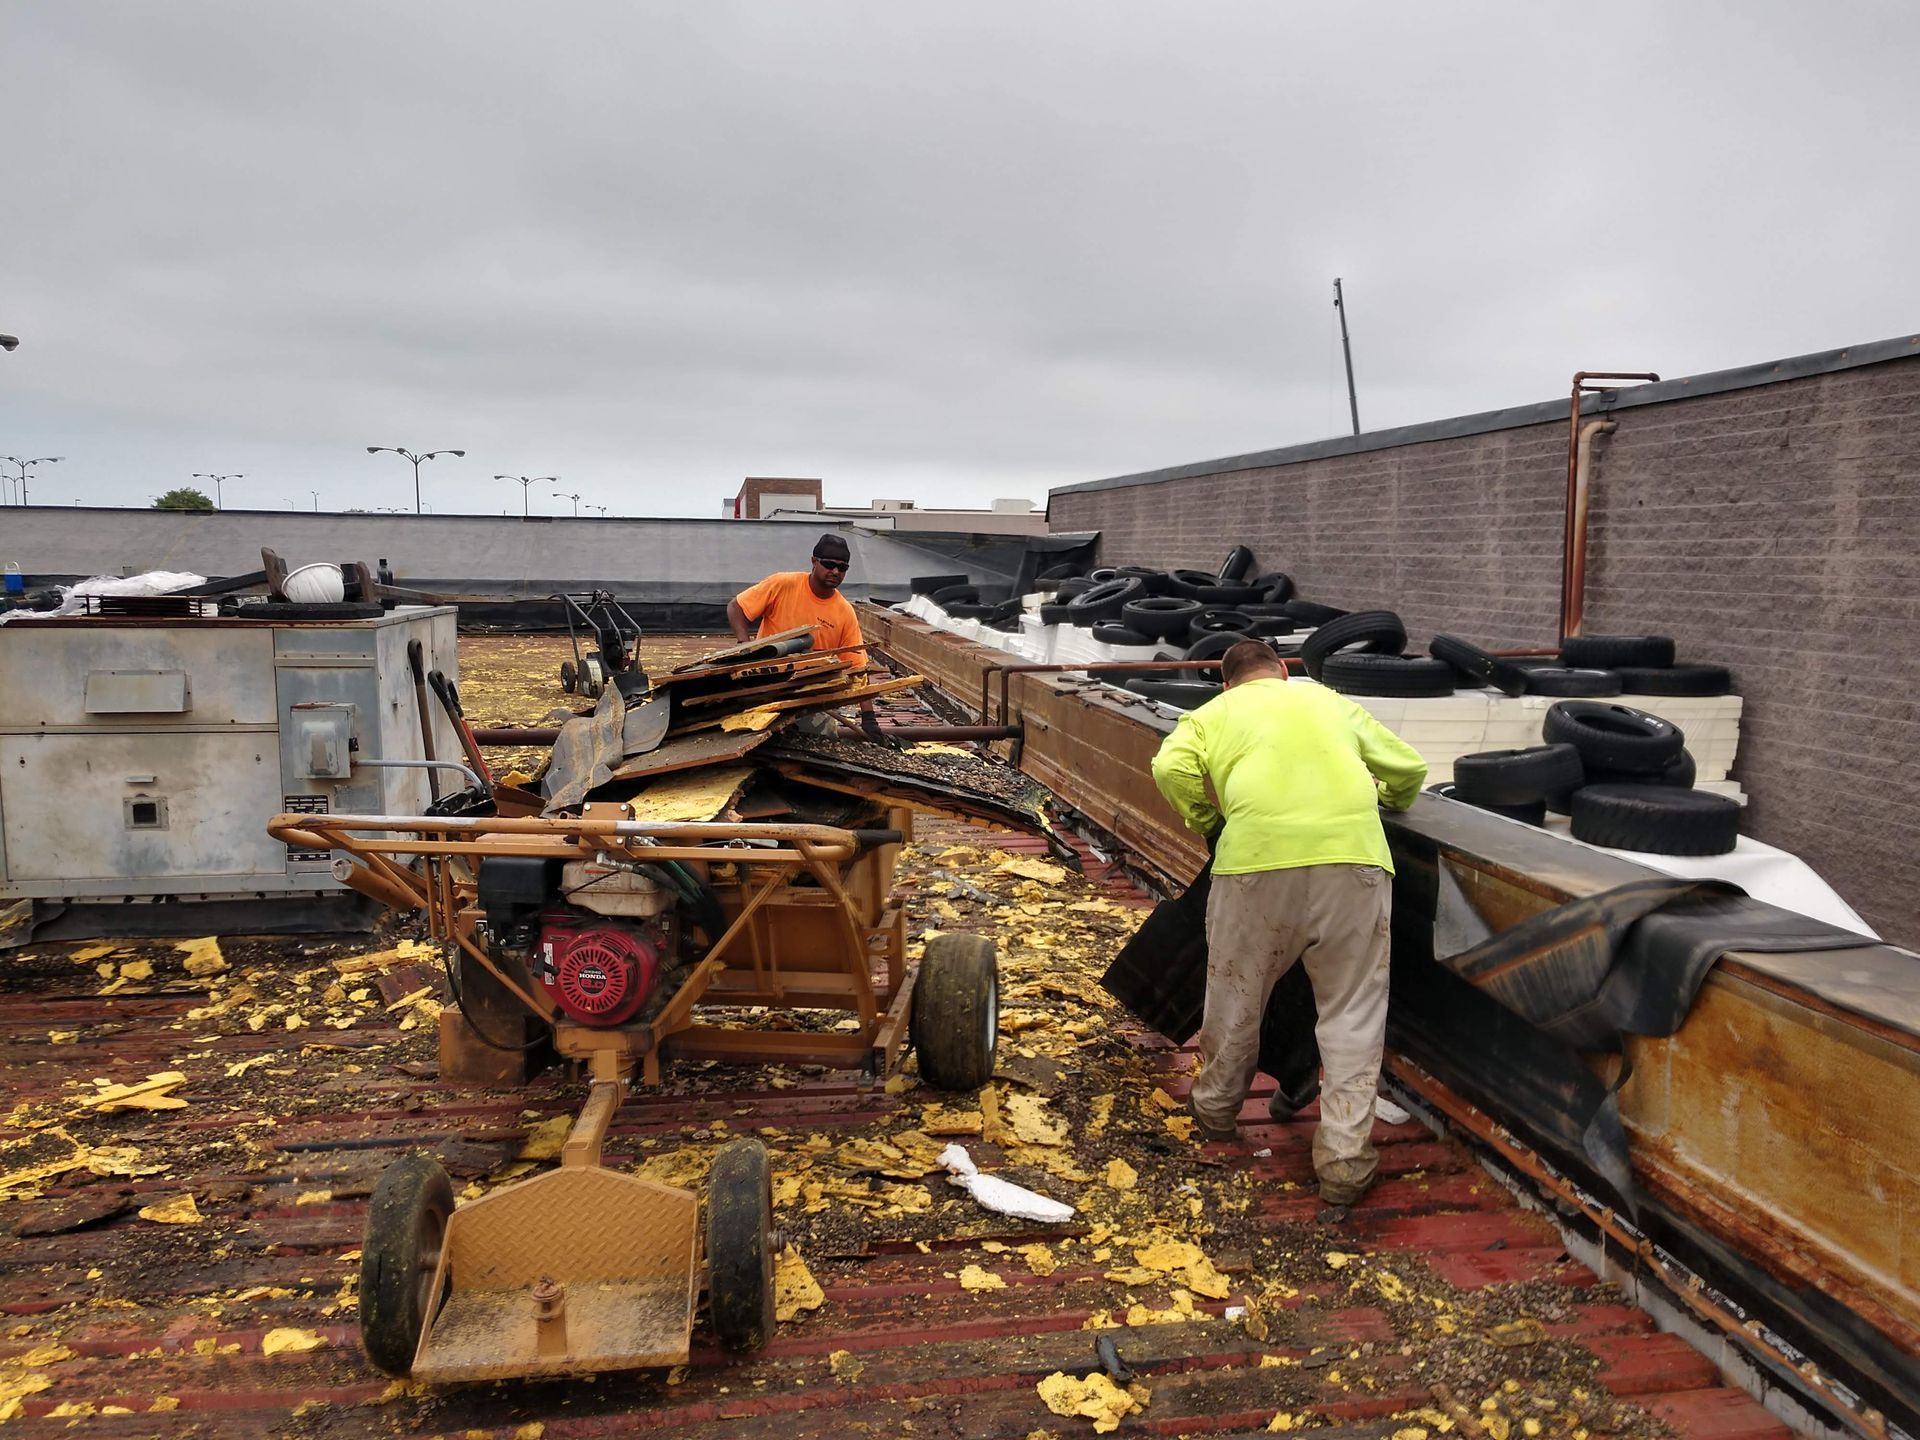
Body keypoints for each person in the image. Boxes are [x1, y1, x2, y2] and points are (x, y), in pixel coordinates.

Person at [1149, 639, 1427, 1207]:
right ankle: (1345, 1163)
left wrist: (1206, 817)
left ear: (1228, 684)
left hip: (1254, 867)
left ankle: (1216, 1112)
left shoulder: (1212, 713)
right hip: (1355, 864)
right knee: (1352, 1012)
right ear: (1282, 671)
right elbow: (1409, 768)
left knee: (1235, 996)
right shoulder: (1329, 700)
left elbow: (1169, 766)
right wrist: (1388, 795)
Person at [727, 533, 880, 738]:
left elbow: (858, 669)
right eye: (829, 564)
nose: (835, 571)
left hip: (811, 693)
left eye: (842, 567)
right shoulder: (782, 585)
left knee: (820, 741)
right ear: (814, 561)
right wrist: (743, 646)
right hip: (768, 684)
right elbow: (736, 606)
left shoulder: (844, 612)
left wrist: (869, 718)